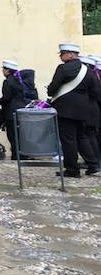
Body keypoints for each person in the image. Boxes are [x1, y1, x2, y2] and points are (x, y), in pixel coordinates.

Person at [48, 43, 98, 178]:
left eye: (62, 53)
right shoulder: (88, 70)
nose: (61, 56)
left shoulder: (63, 68)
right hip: (83, 110)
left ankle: (72, 170)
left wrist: (50, 92)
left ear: (71, 54)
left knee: (68, 140)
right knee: (82, 137)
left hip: (65, 110)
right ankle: (93, 165)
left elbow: (54, 86)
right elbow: (95, 91)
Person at [0, 60, 27, 160]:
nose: (2, 71)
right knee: (19, 134)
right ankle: (21, 154)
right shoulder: (18, 80)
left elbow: (6, 98)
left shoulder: (7, 81)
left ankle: (16, 155)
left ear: (8, 70)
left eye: (3, 69)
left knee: (12, 135)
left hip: (11, 111)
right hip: (20, 109)